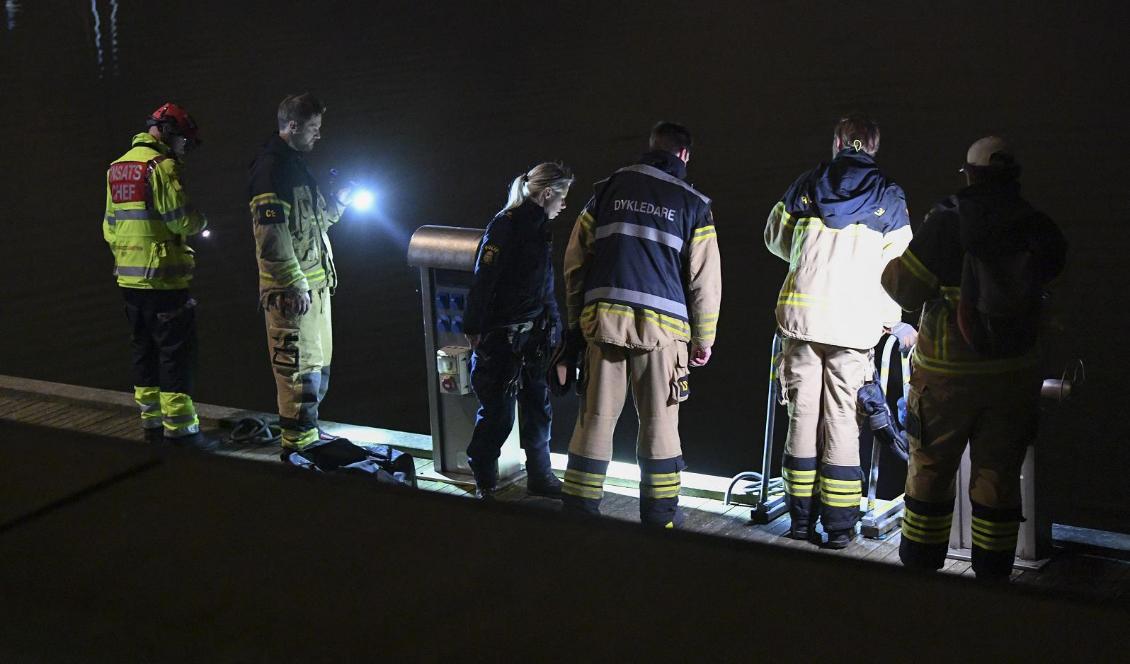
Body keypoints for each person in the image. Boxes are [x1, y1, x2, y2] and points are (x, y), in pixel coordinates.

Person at [882, 136, 1067, 579]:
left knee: (930, 470)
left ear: (969, 173)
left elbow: (903, 289)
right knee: (999, 477)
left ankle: (922, 572)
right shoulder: (1038, 225)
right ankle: (992, 577)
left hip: (946, 376)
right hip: (1014, 376)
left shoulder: (947, 220)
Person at [557, 122, 721, 528]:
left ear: (651, 149)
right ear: (684, 155)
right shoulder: (694, 204)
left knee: (595, 418)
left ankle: (579, 511)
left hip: (604, 321)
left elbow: (574, 262)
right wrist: (704, 339)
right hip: (663, 334)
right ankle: (660, 517)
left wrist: (577, 322)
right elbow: (705, 281)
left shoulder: (608, 189)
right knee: (660, 423)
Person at [764, 114, 915, 548]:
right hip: (853, 327)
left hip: (801, 322)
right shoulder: (890, 195)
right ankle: (841, 527)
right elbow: (897, 272)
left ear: (837, 142)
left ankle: (799, 521)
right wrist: (894, 322)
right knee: (843, 425)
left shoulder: (806, 184)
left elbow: (774, 238)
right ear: (873, 145)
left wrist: (809, 260)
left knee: (801, 419)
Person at [248, 93, 353, 456]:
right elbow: (272, 238)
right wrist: (292, 283)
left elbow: (313, 226)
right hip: (292, 292)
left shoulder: (294, 167)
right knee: (297, 371)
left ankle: (308, 435)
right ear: (292, 127)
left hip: (315, 286)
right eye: (313, 128)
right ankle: (298, 448)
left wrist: (339, 201)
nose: (318, 136)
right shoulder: (271, 171)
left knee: (318, 366)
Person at [463, 162, 574, 499]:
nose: (564, 206)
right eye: (563, 197)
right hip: (503, 337)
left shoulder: (539, 228)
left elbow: (544, 286)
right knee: (497, 413)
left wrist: (555, 327)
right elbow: (485, 277)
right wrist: (474, 325)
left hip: (536, 335)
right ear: (548, 193)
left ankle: (540, 476)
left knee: (538, 406)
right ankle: (484, 478)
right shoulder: (506, 226)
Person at [103, 102, 211, 450]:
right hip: (164, 278)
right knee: (175, 353)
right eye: (183, 141)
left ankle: (151, 424)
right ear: (166, 132)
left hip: (129, 280)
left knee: (143, 350)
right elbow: (181, 219)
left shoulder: (117, 168)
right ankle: (181, 432)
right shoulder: (161, 167)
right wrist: (202, 223)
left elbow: (109, 227)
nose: (184, 149)